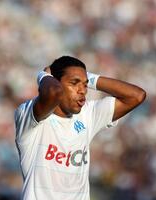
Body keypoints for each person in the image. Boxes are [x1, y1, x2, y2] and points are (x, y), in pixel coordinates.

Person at [14, 56, 146, 200]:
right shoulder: (30, 116)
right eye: (74, 83)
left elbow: (137, 96)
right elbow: (53, 92)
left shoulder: (88, 114)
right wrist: (43, 75)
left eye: (84, 85)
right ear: (55, 81)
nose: (82, 90)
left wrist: (87, 78)